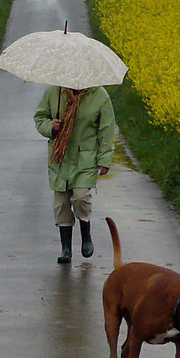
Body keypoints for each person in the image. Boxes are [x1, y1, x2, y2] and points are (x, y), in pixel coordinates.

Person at [34, 83, 117, 263]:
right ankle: (66, 249)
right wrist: (51, 127)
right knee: (61, 204)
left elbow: (107, 129)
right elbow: (40, 117)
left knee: (81, 197)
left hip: (85, 158)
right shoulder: (54, 92)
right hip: (60, 158)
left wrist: (104, 160)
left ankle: (86, 234)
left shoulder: (99, 96)